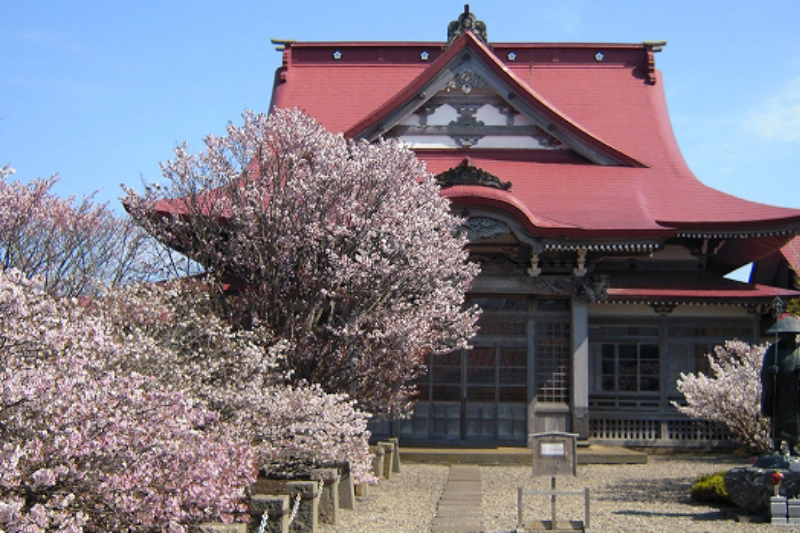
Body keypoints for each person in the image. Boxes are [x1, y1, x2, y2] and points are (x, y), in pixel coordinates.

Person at [761, 314, 800, 454]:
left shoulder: (799, 349)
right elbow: (765, 370)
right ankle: (776, 446)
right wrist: (771, 372)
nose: (790, 338)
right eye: (787, 335)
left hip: (795, 390)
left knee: (794, 420)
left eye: (792, 335)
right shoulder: (773, 350)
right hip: (778, 388)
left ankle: (793, 446)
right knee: (778, 419)